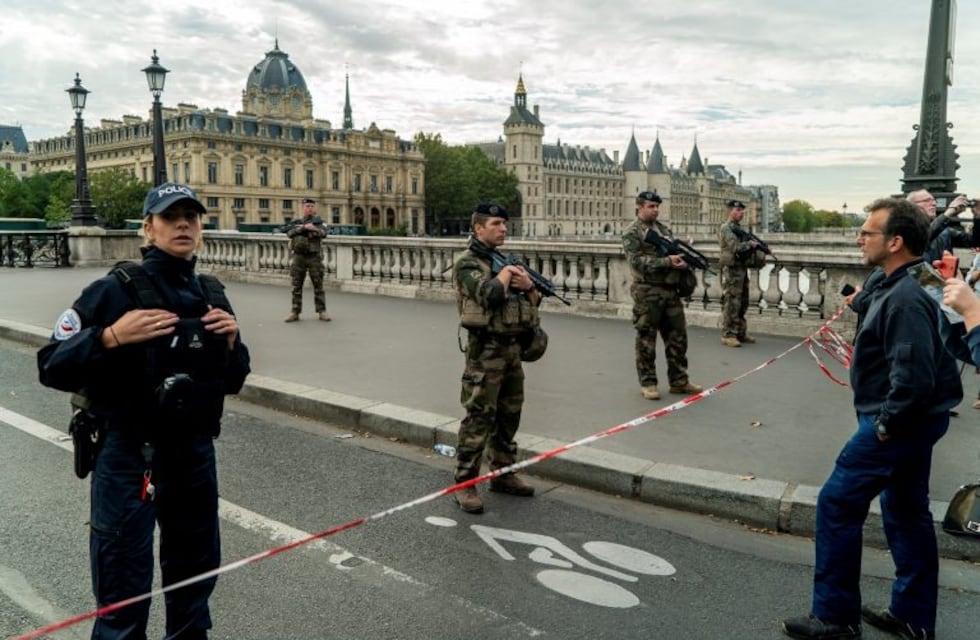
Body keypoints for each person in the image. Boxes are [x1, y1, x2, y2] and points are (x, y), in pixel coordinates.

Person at [37, 182, 251, 640]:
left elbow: (232, 379)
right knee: (123, 585)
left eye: (191, 217)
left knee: (195, 576)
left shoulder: (211, 292)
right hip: (130, 454)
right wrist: (109, 337)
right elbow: (51, 364)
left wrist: (232, 344)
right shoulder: (113, 291)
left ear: (201, 228)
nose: (183, 225)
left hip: (193, 453)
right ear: (148, 228)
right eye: (171, 217)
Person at [781, 197, 961, 640]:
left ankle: (836, 617)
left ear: (895, 241)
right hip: (917, 419)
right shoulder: (908, 277)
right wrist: (859, 300)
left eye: (867, 232)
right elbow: (884, 300)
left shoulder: (904, 299)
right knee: (905, 512)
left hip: (897, 421)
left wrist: (884, 424)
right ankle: (913, 617)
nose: (859, 238)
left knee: (837, 503)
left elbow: (913, 377)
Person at [451, 203, 541, 514]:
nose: (503, 228)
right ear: (478, 229)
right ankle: (464, 485)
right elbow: (488, 295)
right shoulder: (468, 263)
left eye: (504, 223)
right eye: (496, 223)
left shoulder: (505, 261)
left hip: (512, 350)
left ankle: (503, 474)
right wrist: (505, 275)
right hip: (484, 355)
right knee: (479, 420)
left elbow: (534, 301)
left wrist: (528, 286)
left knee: (509, 417)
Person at [622, 191, 702, 400]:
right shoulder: (632, 232)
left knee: (677, 337)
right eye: (651, 206)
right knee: (646, 339)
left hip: (669, 291)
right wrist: (667, 262)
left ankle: (679, 381)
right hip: (647, 291)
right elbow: (636, 262)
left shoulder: (663, 229)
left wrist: (682, 261)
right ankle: (648, 383)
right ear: (639, 207)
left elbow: (670, 253)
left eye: (657, 206)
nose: (655, 210)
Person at [718, 198, 767, 347]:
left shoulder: (738, 228)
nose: (741, 213)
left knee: (743, 302)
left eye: (742, 210)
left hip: (741, 269)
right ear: (729, 211)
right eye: (738, 210)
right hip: (732, 270)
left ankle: (740, 332)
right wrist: (750, 244)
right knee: (732, 302)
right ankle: (728, 334)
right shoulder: (726, 228)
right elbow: (734, 247)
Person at [284, 197, 330, 322]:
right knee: (296, 285)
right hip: (299, 256)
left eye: (311, 206)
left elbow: (325, 233)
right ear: (302, 207)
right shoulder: (296, 222)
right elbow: (288, 233)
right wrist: (302, 229)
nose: (309, 208)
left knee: (318, 284)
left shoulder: (319, 222)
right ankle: (295, 311)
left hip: (314, 256)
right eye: (307, 206)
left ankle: (322, 311)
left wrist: (313, 228)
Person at [906, 189, 977, 262]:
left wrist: (977, 216)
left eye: (934, 200)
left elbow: (974, 241)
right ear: (912, 206)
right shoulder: (905, 228)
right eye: (927, 200)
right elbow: (923, 237)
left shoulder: (944, 231)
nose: (934, 203)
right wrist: (949, 212)